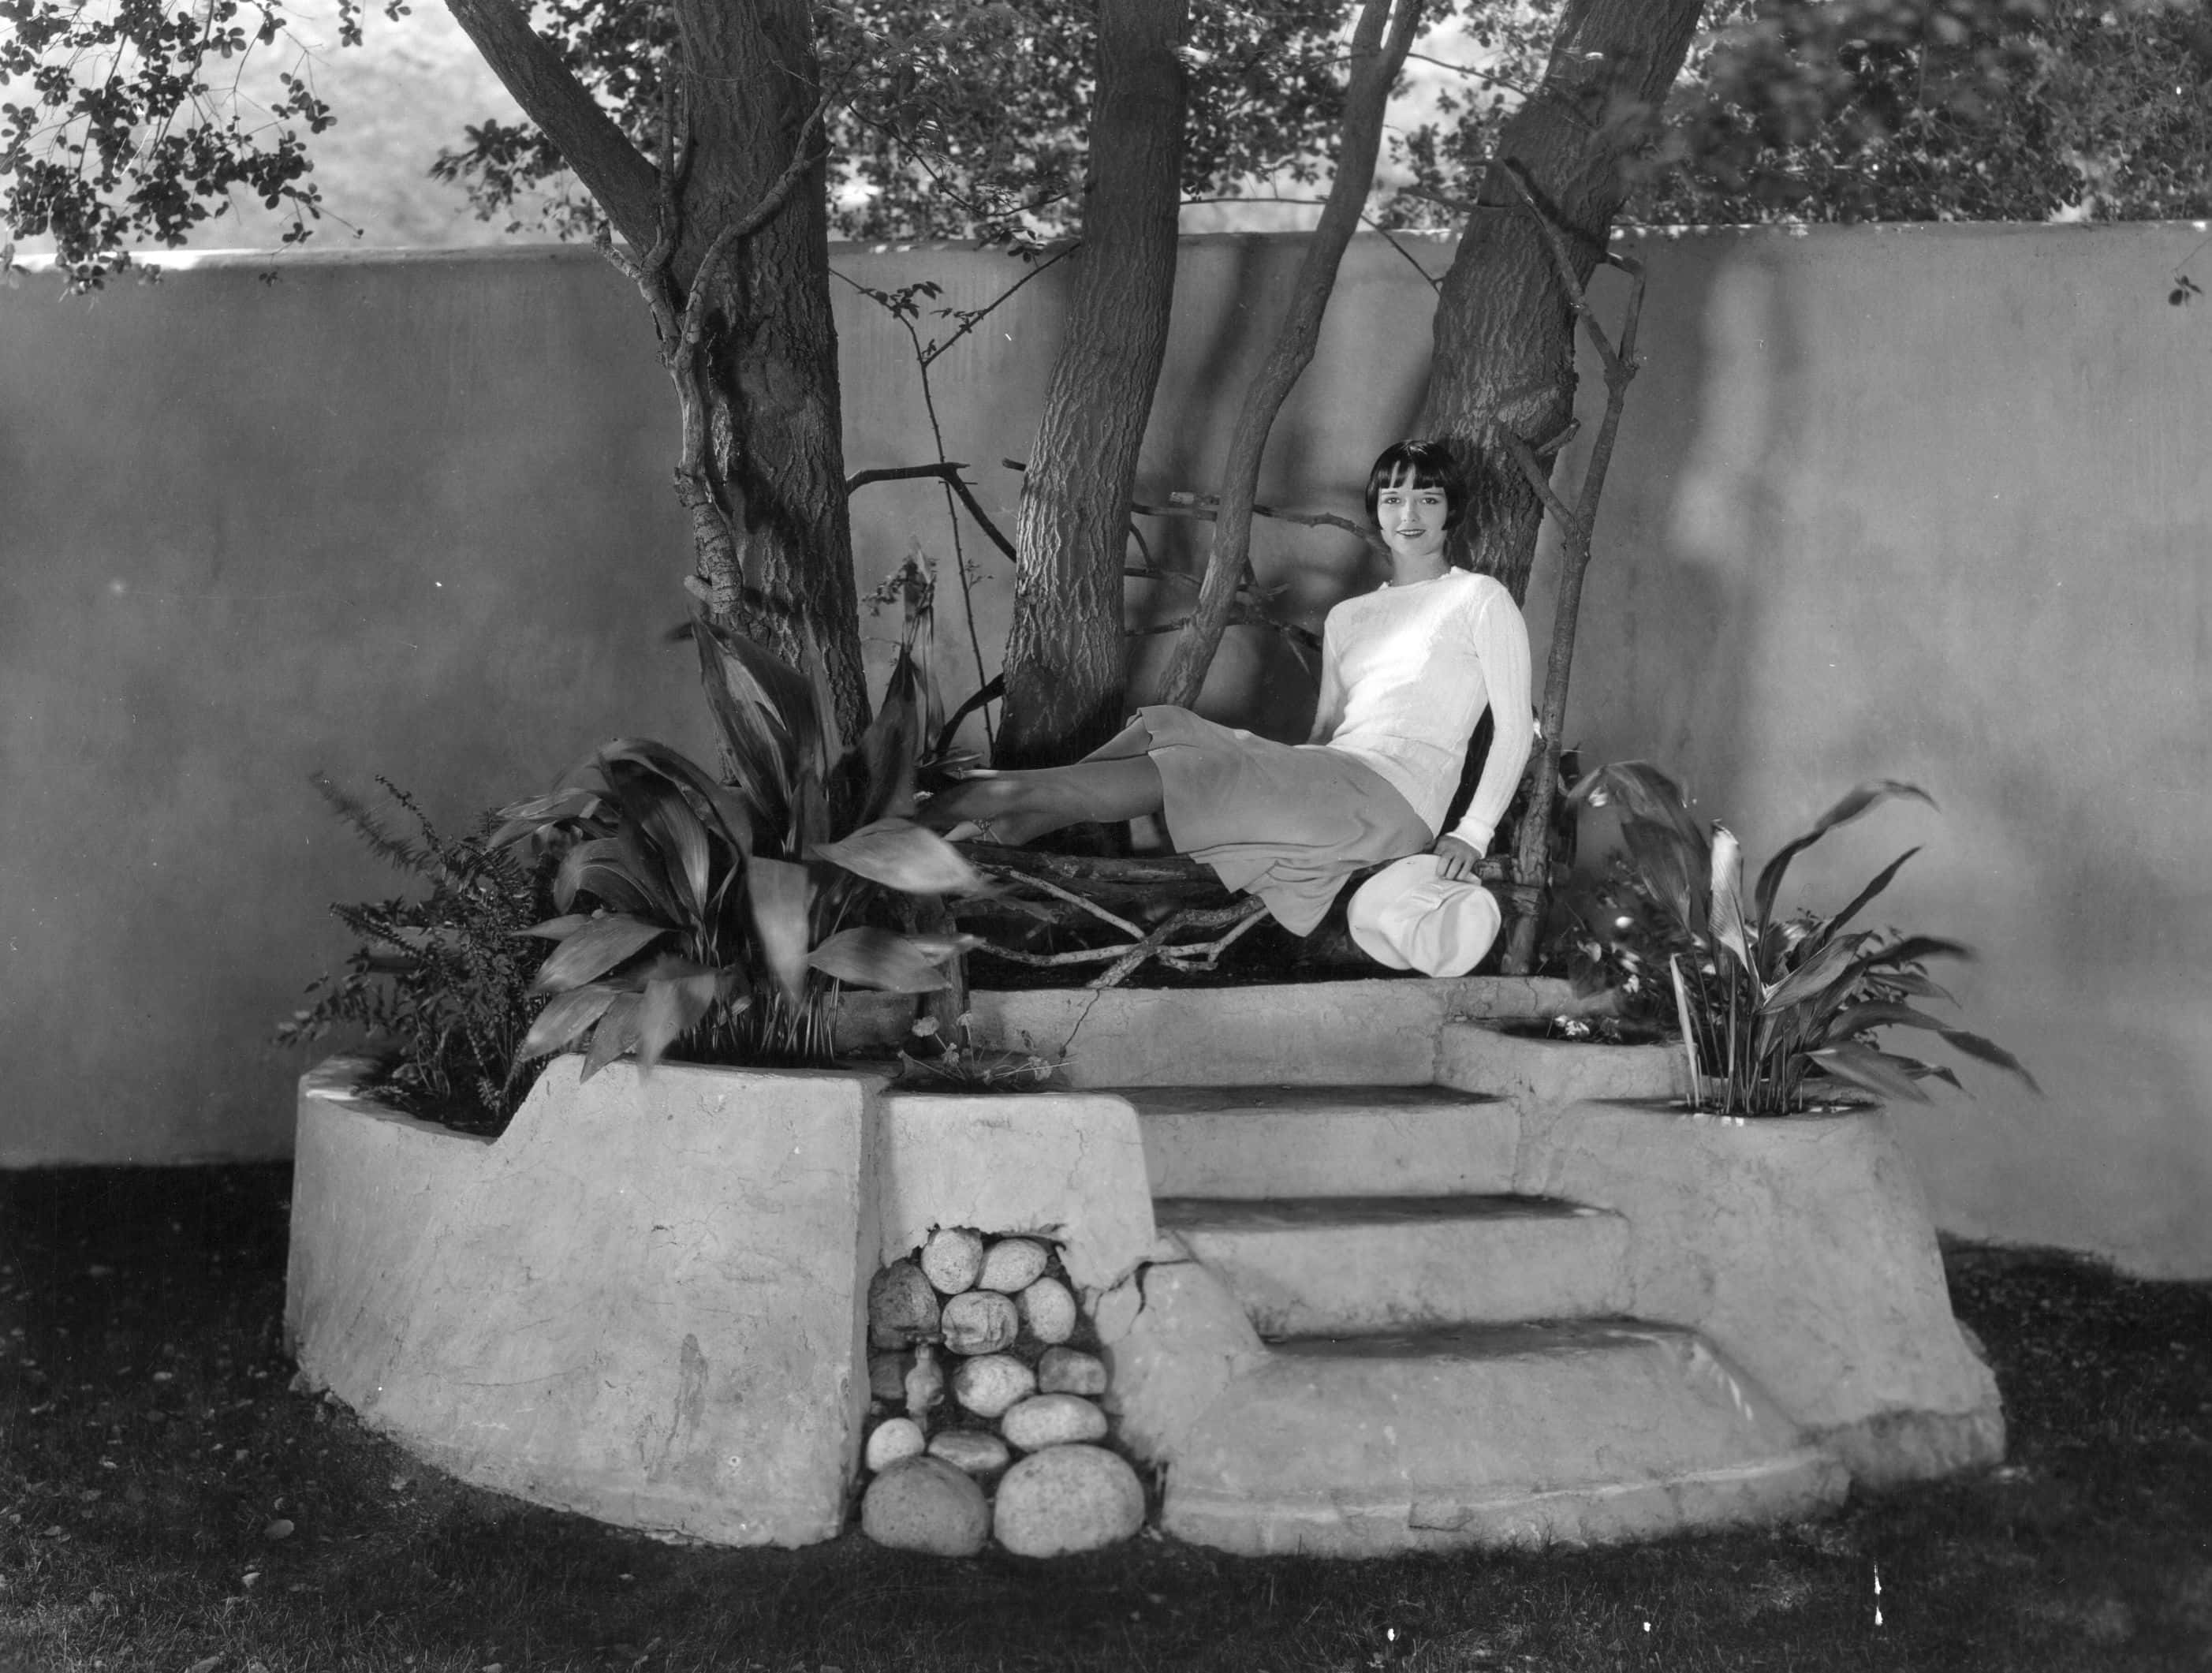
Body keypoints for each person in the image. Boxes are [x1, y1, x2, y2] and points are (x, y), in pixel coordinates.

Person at [923, 438, 1534, 936]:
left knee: (1199, 764)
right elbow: (1325, 731)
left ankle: (983, 804)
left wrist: (1472, 831)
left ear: (1451, 509)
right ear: (1376, 509)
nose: (1410, 516)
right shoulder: (1351, 616)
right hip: (1329, 777)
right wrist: (1269, 771)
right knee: (1168, 727)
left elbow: (1514, 729)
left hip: (1394, 803)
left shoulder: (1477, 598)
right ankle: (1004, 821)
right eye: (1394, 498)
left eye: (1428, 498)